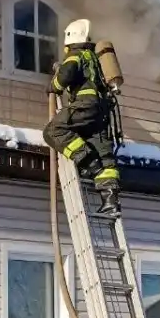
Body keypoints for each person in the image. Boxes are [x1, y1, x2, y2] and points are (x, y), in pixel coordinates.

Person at [41, 18, 121, 217]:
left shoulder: (76, 55)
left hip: (85, 106)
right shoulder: (96, 59)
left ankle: (88, 162)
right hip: (102, 113)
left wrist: (53, 86)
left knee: (53, 131)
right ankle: (110, 201)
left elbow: (65, 75)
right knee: (105, 157)